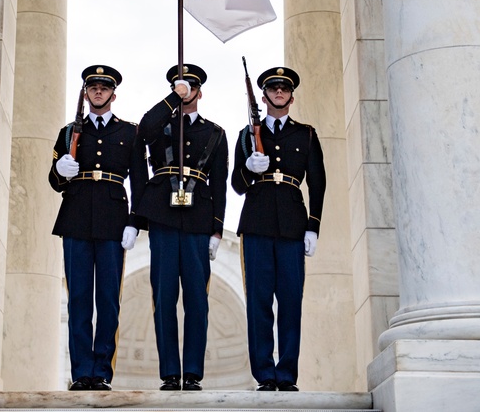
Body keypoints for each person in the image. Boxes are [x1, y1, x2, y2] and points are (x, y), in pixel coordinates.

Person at [129, 64, 228, 391]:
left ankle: (194, 373)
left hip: (199, 217)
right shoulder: (161, 126)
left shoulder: (215, 133)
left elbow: (220, 184)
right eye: (179, 87)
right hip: (163, 216)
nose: (185, 92)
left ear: (200, 92)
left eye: (189, 88)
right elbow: (142, 131)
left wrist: (217, 229)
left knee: (198, 300)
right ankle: (170, 372)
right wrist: (173, 98)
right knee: (164, 296)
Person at [49, 65, 147, 391]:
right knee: (78, 299)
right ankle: (81, 372)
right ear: (87, 92)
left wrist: (135, 222)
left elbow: (140, 182)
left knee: (107, 300)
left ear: (113, 94)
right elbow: (54, 180)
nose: (99, 92)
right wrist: (61, 170)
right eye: (93, 87)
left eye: (105, 87)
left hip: (113, 222)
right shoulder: (68, 133)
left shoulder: (129, 133)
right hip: (76, 218)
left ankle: (102, 371)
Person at [231, 66, 325, 392]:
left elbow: (318, 183)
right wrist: (248, 167)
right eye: (273, 87)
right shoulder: (247, 135)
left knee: (289, 303)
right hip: (256, 223)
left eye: (284, 88)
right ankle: (265, 375)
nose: (279, 92)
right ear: (264, 95)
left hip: (292, 225)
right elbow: (236, 185)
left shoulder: (306, 134)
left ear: (292, 96)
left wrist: (313, 226)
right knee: (258, 302)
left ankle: (286, 375)